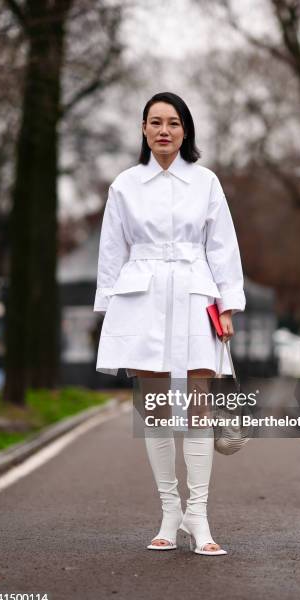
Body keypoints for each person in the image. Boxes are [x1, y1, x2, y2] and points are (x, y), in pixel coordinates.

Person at [93, 92, 246, 556]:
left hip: (195, 292)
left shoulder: (206, 183)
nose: (164, 130)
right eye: (155, 122)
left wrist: (227, 304)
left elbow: (222, 246)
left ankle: (198, 516)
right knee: (156, 409)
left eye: (173, 123)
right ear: (143, 129)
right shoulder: (124, 185)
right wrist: (109, 309)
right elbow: (111, 251)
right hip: (141, 298)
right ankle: (169, 511)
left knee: (196, 404)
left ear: (185, 132)